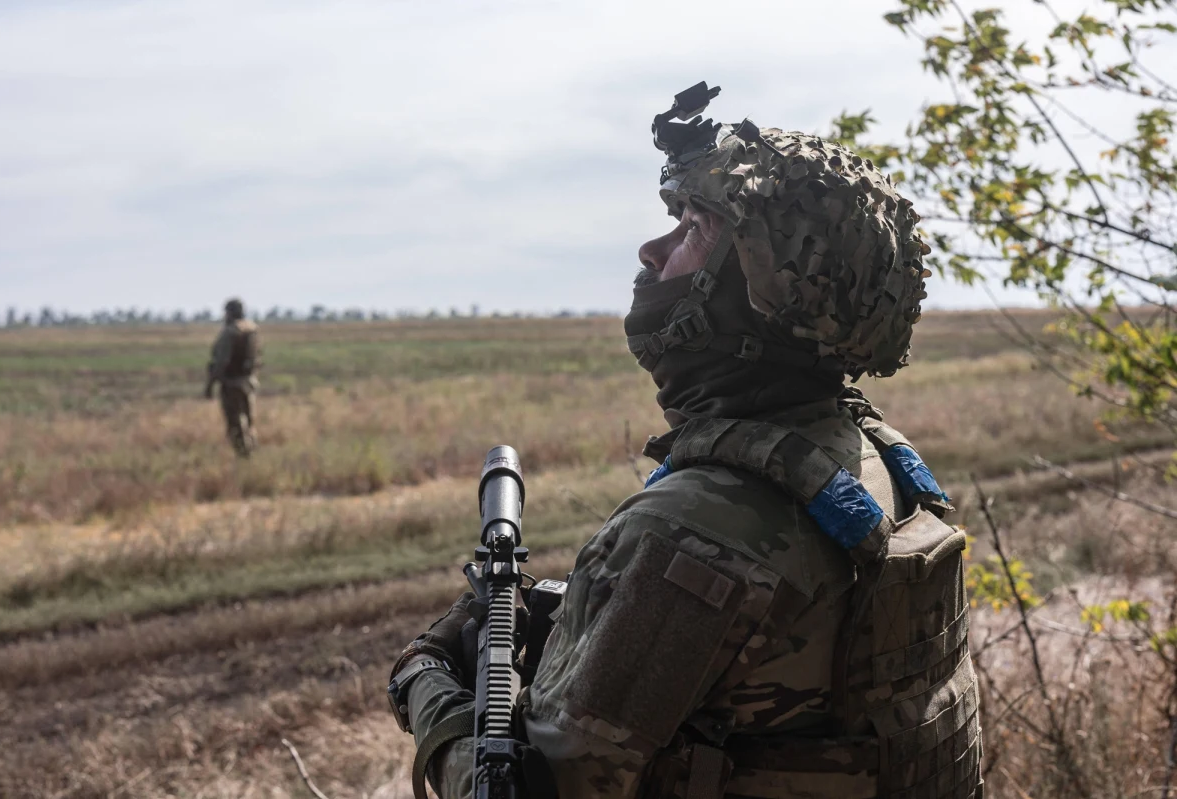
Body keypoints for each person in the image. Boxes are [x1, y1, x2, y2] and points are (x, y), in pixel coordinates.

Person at [388, 85, 982, 799]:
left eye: (695, 229)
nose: (653, 250)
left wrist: (427, 677)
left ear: (761, 288)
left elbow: (530, 789)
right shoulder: (876, 459)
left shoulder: (697, 529)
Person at [205, 297, 260, 457]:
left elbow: (222, 361)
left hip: (232, 383)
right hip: (249, 381)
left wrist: (210, 384)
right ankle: (252, 452)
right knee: (249, 422)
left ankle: (244, 457)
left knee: (235, 424)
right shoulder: (252, 329)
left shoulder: (230, 332)